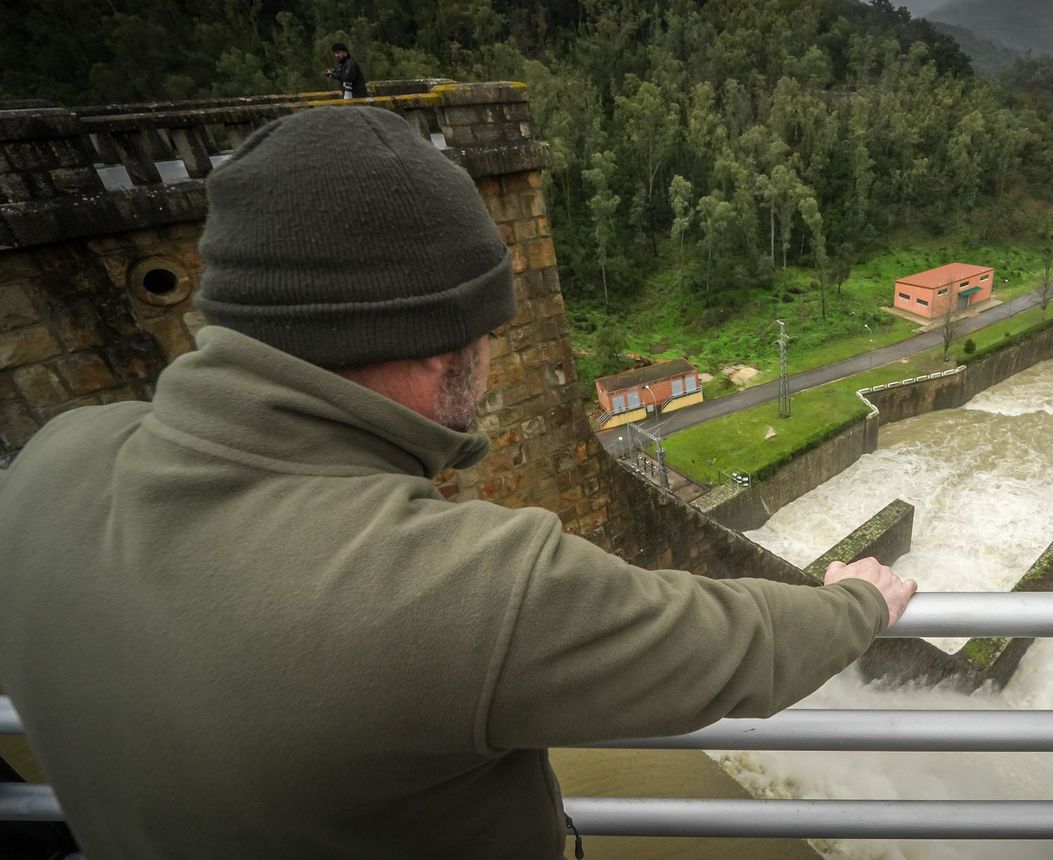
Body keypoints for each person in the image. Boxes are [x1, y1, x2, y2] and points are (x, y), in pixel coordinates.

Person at [0, 106, 916, 859]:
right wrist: (858, 604)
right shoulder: (456, 585)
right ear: (450, 344)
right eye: (490, 330)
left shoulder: (50, 464)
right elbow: (734, 652)